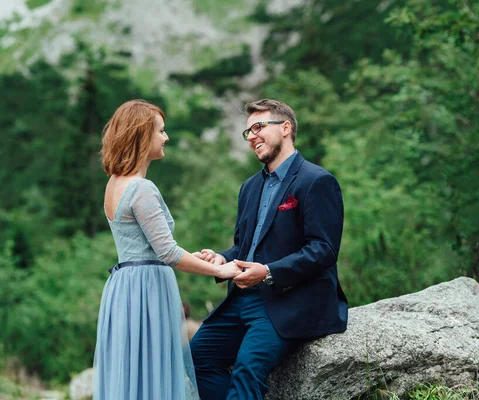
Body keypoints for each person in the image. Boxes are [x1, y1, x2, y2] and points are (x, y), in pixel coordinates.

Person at [190, 99, 348, 400]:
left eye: (259, 127)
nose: (251, 136)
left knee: (248, 368)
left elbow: (324, 249)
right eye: (247, 131)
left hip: (291, 301)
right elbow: (244, 246)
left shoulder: (318, 181)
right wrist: (222, 257)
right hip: (242, 299)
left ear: (285, 128)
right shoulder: (249, 187)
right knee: (197, 358)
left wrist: (269, 272)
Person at [93, 99, 241, 400]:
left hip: (124, 286)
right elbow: (169, 253)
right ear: (142, 135)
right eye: (161, 131)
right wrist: (218, 269)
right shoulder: (141, 188)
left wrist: (193, 256)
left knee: (134, 371)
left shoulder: (113, 184)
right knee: (153, 371)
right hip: (147, 289)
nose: (166, 137)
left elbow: (151, 246)